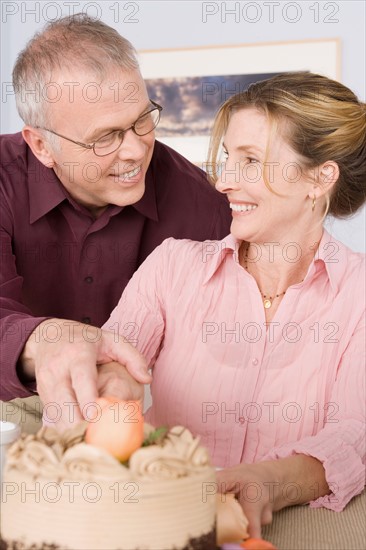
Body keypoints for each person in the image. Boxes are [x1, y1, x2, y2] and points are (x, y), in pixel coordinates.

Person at [103, 72, 366, 537]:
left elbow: (353, 436)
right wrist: (111, 385)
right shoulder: (172, 267)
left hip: (295, 528)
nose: (223, 182)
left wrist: (265, 483)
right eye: (227, 158)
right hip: (161, 522)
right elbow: (112, 360)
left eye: (250, 161)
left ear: (319, 178)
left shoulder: (358, 292)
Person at [0, 14, 231, 429]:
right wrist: (46, 340)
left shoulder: (204, 206)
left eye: (142, 120)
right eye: (105, 137)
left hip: (137, 409)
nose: (135, 151)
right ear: (41, 145)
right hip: (9, 404)